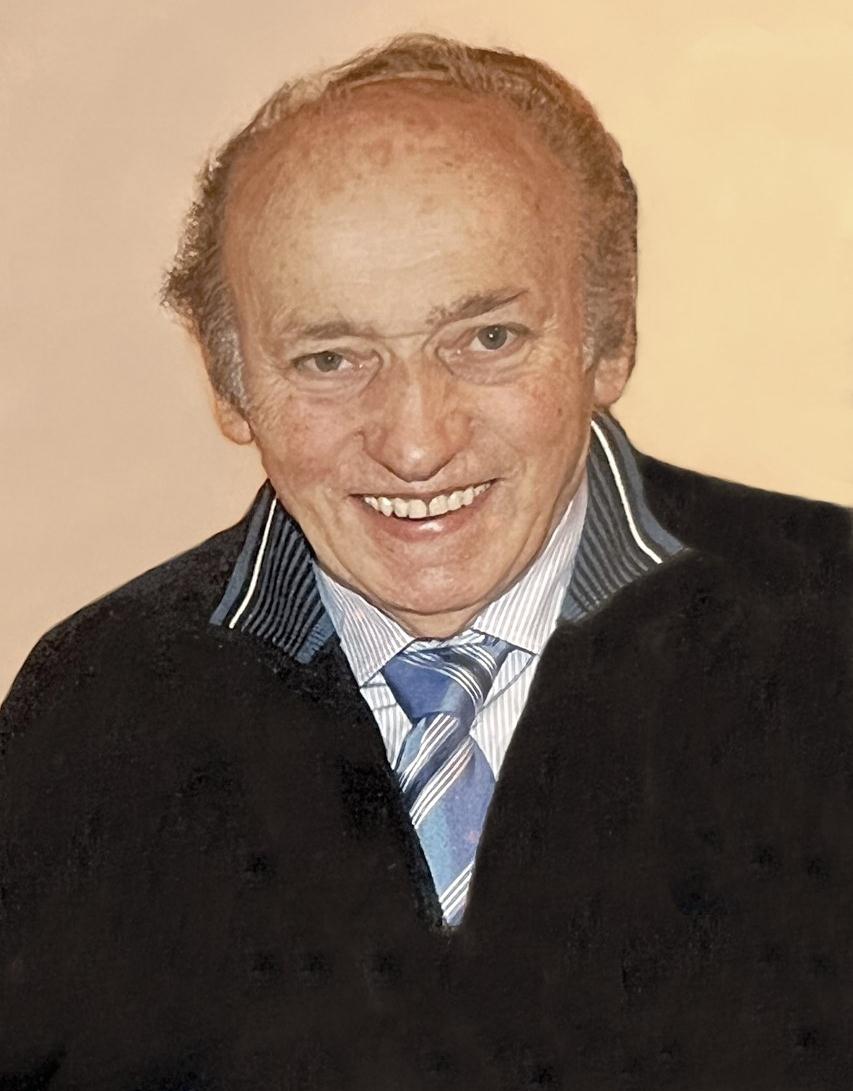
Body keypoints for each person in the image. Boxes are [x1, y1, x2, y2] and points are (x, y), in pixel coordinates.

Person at [1, 32, 850, 1091]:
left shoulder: (830, 633)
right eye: (329, 358)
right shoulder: (92, 713)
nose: (414, 442)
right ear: (232, 387)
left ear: (608, 339)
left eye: (486, 339)